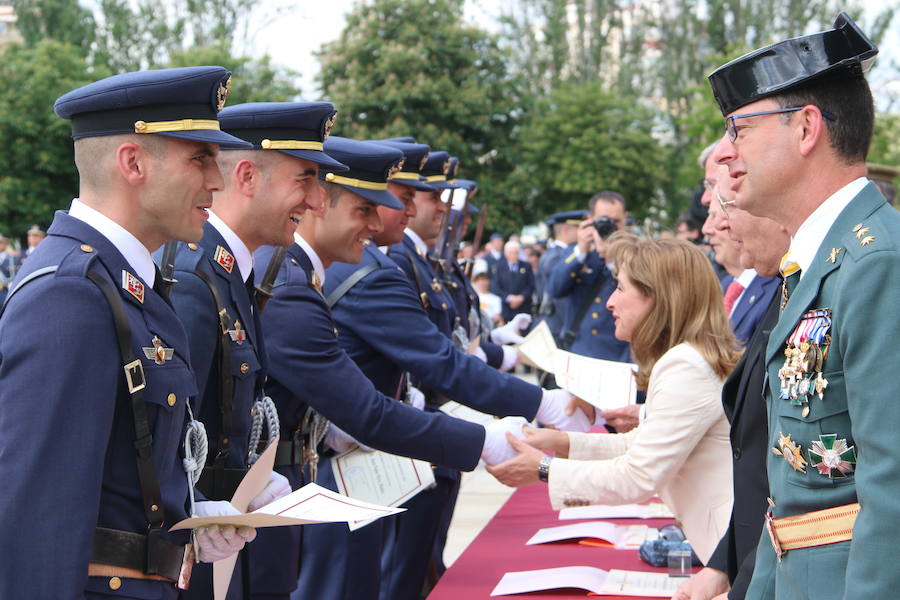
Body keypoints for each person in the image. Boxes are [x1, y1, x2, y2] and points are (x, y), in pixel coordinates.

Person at [0, 66, 257, 599]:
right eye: (200, 158)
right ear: (133, 162)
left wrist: (187, 518)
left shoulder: (125, 282)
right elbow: (32, 516)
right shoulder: (70, 293)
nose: (217, 179)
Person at [252, 136, 543, 600]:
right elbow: (369, 411)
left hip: (318, 474)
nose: (376, 223)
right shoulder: (286, 282)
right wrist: (485, 441)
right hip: (298, 487)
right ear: (320, 203)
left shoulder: (297, 275)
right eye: (364, 209)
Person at [321, 139, 586, 600]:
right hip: (366, 452)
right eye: (403, 199)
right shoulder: (378, 267)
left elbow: (449, 343)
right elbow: (438, 360)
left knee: (405, 570)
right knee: (371, 579)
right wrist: (540, 403)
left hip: (405, 436)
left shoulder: (387, 262)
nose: (440, 211)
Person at [708, 12, 900, 600]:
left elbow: (890, 492)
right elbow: (788, 497)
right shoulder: (817, 262)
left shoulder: (874, 264)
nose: (726, 151)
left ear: (806, 128)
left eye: (740, 128)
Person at [159, 101, 347, 600]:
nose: (315, 200)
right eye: (304, 179)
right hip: (194, 559)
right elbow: (173, 435)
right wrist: (196, 503)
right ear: (247, 175)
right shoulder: (198, 278)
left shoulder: (228, 274)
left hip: (226, 542)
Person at [489, 234, 741, 565]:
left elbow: (638, 475)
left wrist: (544, 468)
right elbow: (641, 444)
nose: (610, 301)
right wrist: (560, 440)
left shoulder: (685, 366)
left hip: (724, 548)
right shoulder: (687, 359)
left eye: (621, 288)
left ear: (658, 298)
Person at [672, 171, 790, 600]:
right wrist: (727, 564)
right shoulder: (780, 286)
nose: (716, 226)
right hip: (751, 550)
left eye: (729, 208)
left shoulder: (797, 285)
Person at [547, 191, 630, 361]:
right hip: (579, 349)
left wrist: (611, 258)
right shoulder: (576, 252)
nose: (610, 227)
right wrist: (581, 250)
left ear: (625, 219)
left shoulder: (635, 254)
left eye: (616, 221)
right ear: (590, 219)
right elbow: (555, 290)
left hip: (614, 353)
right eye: (604, 220)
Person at [536, 210, 585, 343]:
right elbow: (560, 299)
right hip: (559, 327)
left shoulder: (555, 254)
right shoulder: (558, 257)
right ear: (565, 229)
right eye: (578, 227)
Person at [489, 240, 535, 323]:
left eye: (516, 253)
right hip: (506, 309)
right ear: (506, 254)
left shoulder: (526, 266)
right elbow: (495, 287)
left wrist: (522, 297)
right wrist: (509, 298)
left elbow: (531, 284)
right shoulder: (499, 267)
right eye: (511, 253)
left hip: (523, 307)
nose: (514, 255)